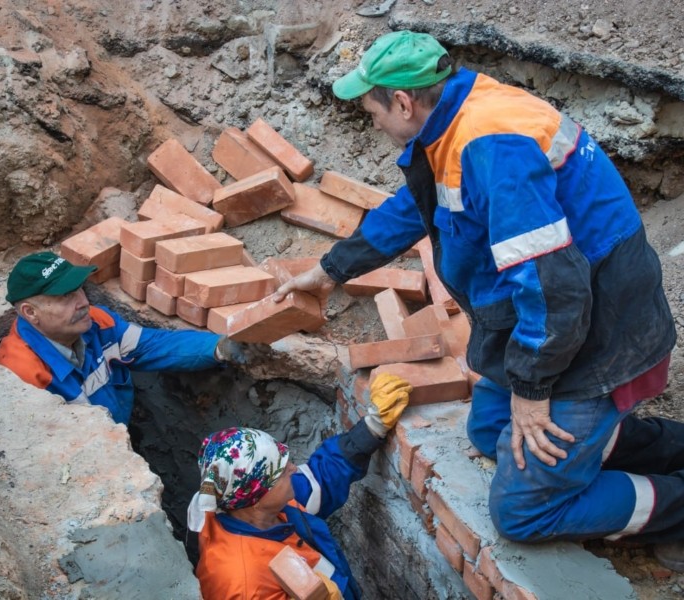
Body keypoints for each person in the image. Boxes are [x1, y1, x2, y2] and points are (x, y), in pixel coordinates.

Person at [274, 30, 684, 568]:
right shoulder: (451, 115)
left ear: (402, 101)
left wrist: (533, 389)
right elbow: (414, 210)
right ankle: (616, 447)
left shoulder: (491, 145)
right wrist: (329, 273)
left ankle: (672, 507)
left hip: (597, 326)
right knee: (492, 431)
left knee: (521, 511)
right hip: (551, 313)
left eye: (370, 108)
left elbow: (552, 284)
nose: (371, 122)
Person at [188, 373, 413, 599]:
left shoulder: (269, 505)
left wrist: (373, 426)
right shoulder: (242, 583)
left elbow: (322, 477)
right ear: (256, 499)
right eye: (282, 471)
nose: (294, 469)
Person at [0, 251, 260, 425]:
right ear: (31, 313)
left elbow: (155, 346)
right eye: (66, 297)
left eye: (79, 290)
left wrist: (218, 347)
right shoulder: (21, 376)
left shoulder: (98, 322)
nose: (83, 302)